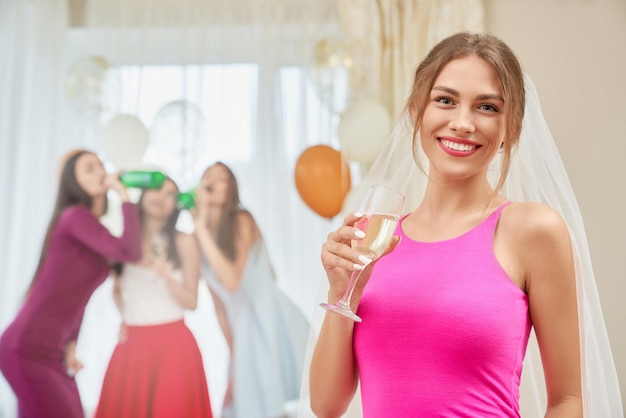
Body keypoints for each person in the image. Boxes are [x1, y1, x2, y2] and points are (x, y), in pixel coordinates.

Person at [307, 32, 623, 417]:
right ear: (415, 111)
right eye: (445, 100)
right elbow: (326, 406)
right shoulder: (375, 242)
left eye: (487, 107)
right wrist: (344, 291)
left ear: (513, 129)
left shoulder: (533, 231)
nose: (462, 123)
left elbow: (568, 400)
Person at [0, 149, 142, 418]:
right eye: (89, 169)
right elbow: (130, 252)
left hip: (53, 352)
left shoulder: (92, 230)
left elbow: (78, 298)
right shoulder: (74, 217)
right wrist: (124, 195)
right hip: (26, 349)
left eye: (101, 165)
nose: (100, 172)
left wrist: (71, 343)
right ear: (73, 182)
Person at [194, 162, 309, 418]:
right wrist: (234, 357)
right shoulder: (200, 237)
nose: (212, 181)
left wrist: (200, 228)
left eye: (221, 177)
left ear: (231, 188)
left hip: (266, 319)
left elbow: (232, 282)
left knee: (269, 401)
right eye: (207, 175)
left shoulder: (241, 220)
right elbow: (219, 305)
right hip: (241, 331)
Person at [95, 176, 212, 417]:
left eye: (170, 194)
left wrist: (168, 278)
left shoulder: (184, 241)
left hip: (174, 347)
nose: (161, 197)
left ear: (176, 204)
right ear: (142, 195)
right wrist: (124, 317)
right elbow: (117, 289)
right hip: (132, 347)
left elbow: (192, 302)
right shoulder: (122, 240)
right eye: (157, 189)